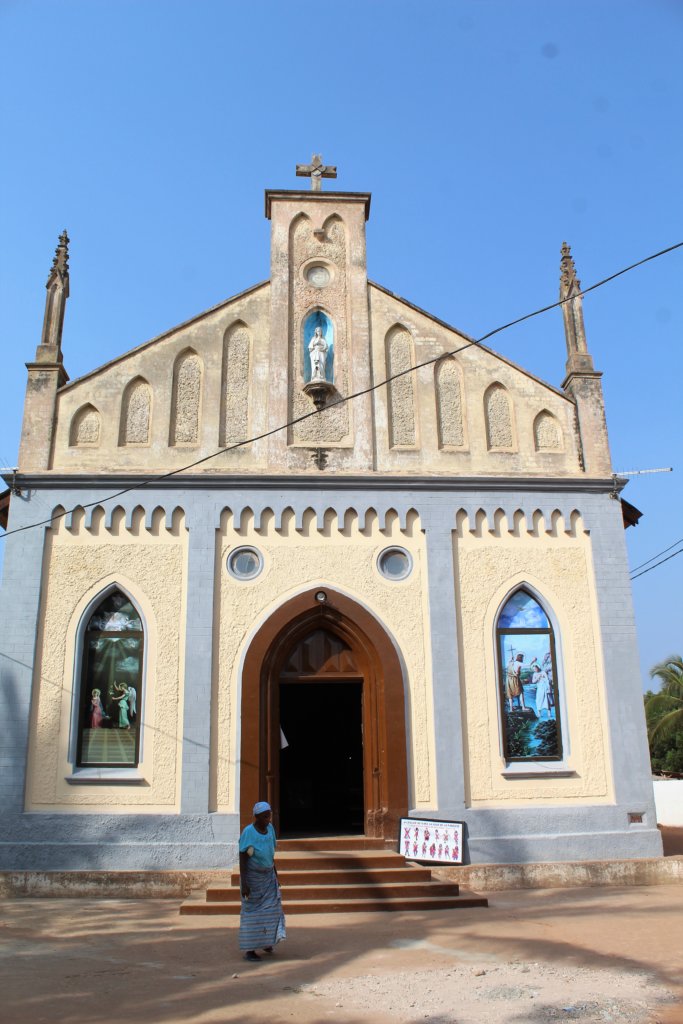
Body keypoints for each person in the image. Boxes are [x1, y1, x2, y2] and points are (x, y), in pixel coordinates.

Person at [238, 801, 286, 962]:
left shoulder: (270, 829)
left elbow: (270, 854)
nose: (268, 819)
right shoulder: (248, 832)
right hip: (253, 878)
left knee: (272, 909)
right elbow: (243, 858)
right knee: (252, 913)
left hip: (268, 876)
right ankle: (250, 950)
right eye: (265, 816)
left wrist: (276, 876)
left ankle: (267, 941)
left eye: (269, 816)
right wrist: (244, 883)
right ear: (256, 817)